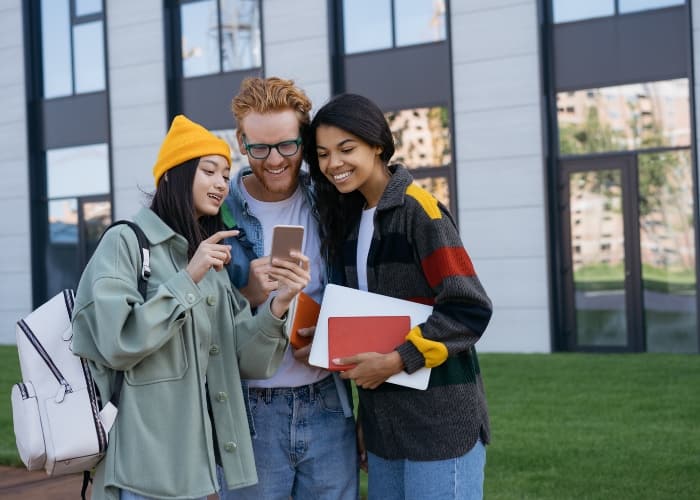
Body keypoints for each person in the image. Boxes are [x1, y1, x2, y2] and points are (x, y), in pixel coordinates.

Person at [71, 114, 310, 500]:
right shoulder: (126, 242)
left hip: (195, 469)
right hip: (139, 469)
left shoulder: (207, 257)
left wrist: (278, 305)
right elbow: (117, 342)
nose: (221, 183)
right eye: (209, 170)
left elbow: (242, 358)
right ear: (173, 176)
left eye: (225, 174)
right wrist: (188, 278)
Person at [304, 93, 494, 500]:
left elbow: (468, 309)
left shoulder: (419, 211)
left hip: (441, 427)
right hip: (384, 432)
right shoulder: (350, 221)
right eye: (322, 154)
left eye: (346, 148)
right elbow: (368, 330)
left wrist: (395, 361)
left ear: (377, 145)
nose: (333, 163)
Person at [218, 77, 358, 499]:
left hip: (329, 404)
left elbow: (364, 290)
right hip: (249, 412)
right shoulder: (216, 207)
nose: (274, 160)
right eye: (259, 147)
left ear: (304, 138)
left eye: (287, 146)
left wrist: (334, 335)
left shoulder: (332, 199)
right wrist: (248, 296)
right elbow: (192, 318)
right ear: (241, 141)